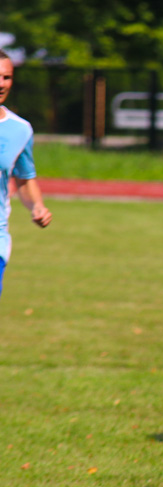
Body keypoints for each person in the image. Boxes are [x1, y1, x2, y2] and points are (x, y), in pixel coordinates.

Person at [0, 49, 52, 300]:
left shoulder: (19, 129)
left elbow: (23, 178)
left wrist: (37, 206)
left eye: (7, 77)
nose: (1, 84)